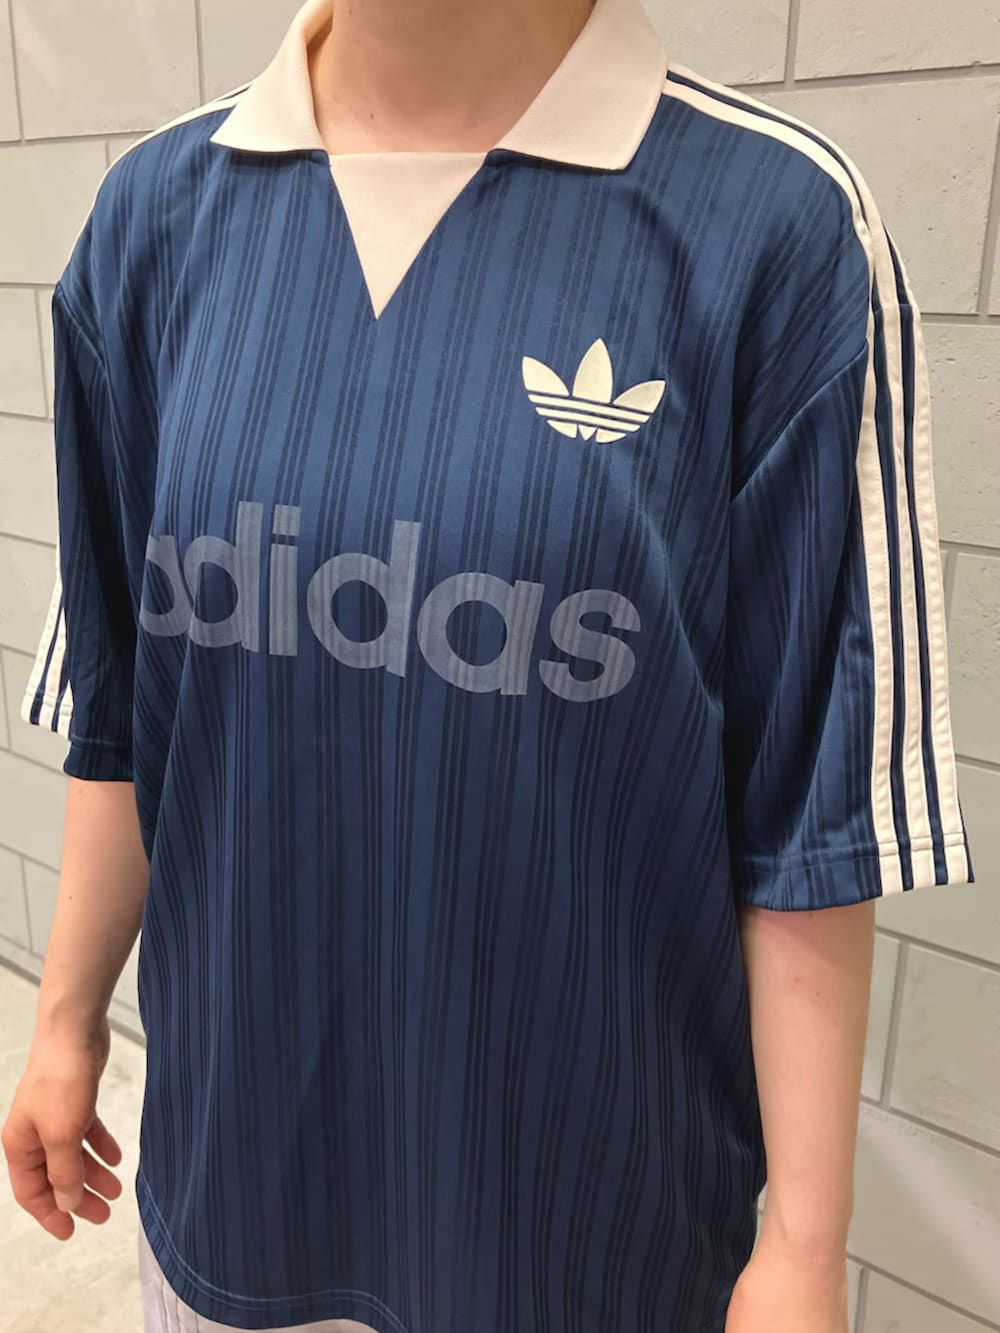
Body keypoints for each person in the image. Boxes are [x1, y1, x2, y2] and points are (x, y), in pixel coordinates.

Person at [1, 0, 975, 1330]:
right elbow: (124, 714)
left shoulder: (776, 230)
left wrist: (806, 1241)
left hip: (585, 1235)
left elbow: (808, 816)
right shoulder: (151, 224)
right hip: (233, 1184)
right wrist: (66, 1019)